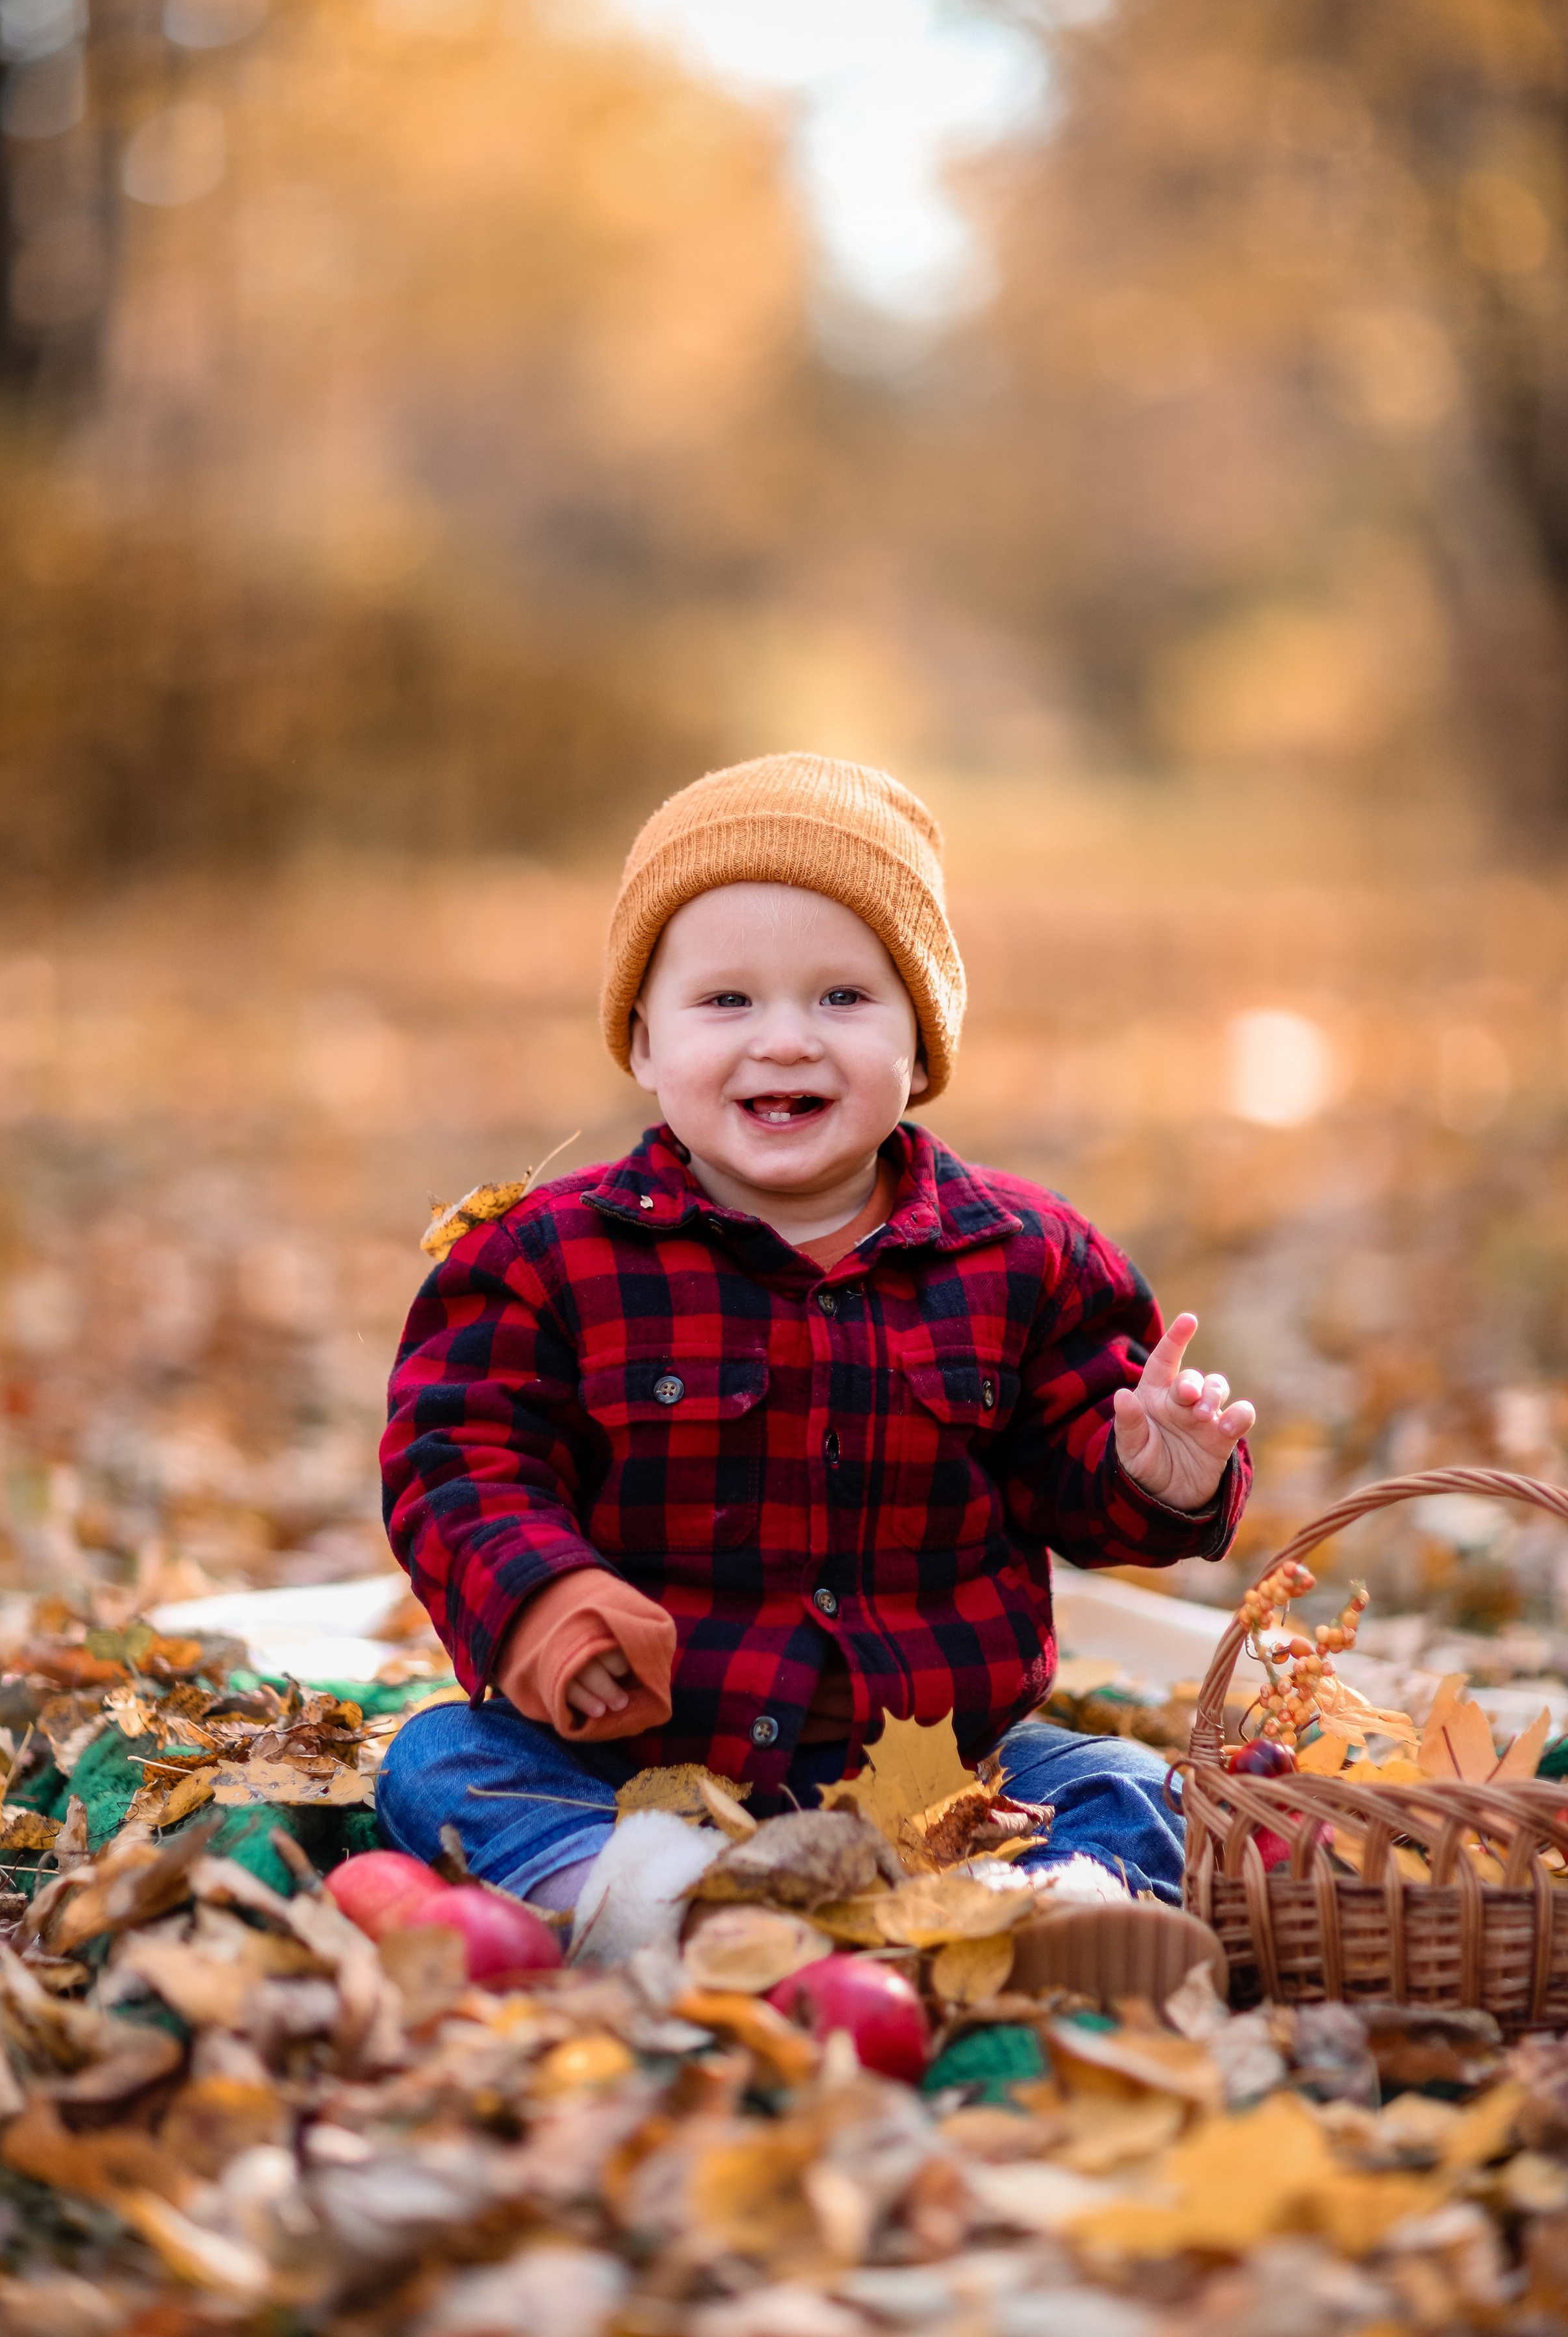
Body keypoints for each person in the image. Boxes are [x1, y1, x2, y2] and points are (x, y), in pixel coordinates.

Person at [377, 753, 1254, 1922]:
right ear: (643, 1044)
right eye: (726, 1001)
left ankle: (1038, 1912)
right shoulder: (547, 1260)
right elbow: (460, 1459)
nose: (786, 1041)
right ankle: (661, 1907)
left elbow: (1084, 1484)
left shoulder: (1025, 1258)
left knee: (1128, 1782)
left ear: (921, 1046)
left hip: (944, 1782)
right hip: (639, 1771)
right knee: (439, 1763)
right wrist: (548, 1608)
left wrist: (1158, 1477)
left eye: (842, 999)